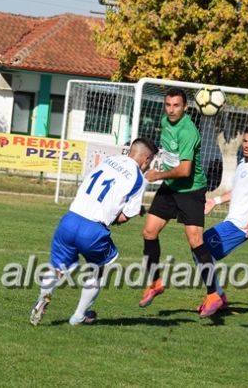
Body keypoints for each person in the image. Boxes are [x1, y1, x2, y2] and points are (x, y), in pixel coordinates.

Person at [29, 137, 158, 326]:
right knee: (99, 269)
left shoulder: (109, 160)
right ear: (146, 160)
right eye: (151, 161)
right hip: (93, 230)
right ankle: (79, 316)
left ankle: (43, 296)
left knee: (57, 268)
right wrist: (119, 215)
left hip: (70, 220)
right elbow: (123, 217)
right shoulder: (139, 179)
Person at [138, 87, 220, 318]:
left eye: (176, 105)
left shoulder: (188, 132)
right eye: (168, 105)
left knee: (195, 240)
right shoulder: (165, 121)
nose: (171, 110)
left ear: (185, 107)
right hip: (171, 188)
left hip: (191, 190)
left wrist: (157, 175)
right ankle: (155, 283)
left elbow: (185, 170)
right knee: (149, 232)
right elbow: (168, 152)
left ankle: (213, 294)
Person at [202, 126, 248, 312]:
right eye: (245, 141)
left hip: (240, 226)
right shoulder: (243, 165)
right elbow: (238, 191)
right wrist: (215, 200)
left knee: (200, 249)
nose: (247, 145)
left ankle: (216, 296)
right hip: (232, 222)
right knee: (201, 250)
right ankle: (217, 296)